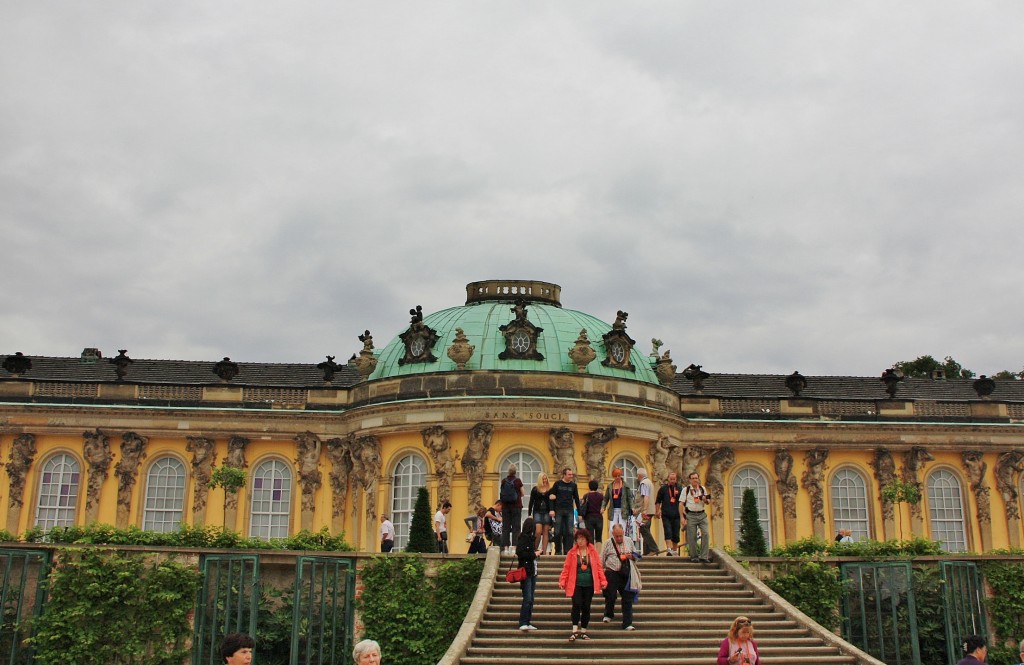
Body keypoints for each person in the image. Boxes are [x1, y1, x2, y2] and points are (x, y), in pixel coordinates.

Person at [558, 528, 607, 642]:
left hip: (589, 584)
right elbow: (566, 568)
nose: (580, 541)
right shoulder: (572, 553)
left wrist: (603, 581)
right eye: (578, 539)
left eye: (582, 539)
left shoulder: (593, 553)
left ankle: (584, 630)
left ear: (587, 540)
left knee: (586, 607)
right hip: (576, 584)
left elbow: (599, 568)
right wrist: (562, 580)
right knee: (576, 604)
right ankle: (574, 630)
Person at [600, 523, 639, 630]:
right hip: (611, 572)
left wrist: (631, 556)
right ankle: (608, 614)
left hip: (626, 573)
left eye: (620, 536)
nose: (619, 538)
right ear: (613, 534)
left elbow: (637, 555)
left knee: (627, 598)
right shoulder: (608, 543)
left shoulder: (629, 541)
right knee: (610, 595)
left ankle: (627, 623)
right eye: (616, 536)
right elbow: (601, 560)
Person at [549, 467, 581, 556]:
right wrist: (551, 509)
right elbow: (551, 497)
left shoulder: (573, 485)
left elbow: (577, 499)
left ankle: (568, 551)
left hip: (569, 510)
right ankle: (558, 551)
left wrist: (580, 513)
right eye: (569, 474)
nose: (571, 476)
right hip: (558, 510)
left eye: (572, 474)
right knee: (557, 532)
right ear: (564, 475)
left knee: (570, 532)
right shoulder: (557, 484)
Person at [516, 516, 540, 631]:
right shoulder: (524, 539)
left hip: (532, 570)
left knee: (531, 598)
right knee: (528, 598)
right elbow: (521, 554)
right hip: (526, 571)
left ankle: (527, 621)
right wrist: (535, 554)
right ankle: (523, 621)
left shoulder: (529, 539)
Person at [682, 472, 711, 563]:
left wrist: (705, 499)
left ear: (698, 479)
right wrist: (682, 517)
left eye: (696, 478)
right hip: (691, 514)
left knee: (706, 533)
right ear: (690, 480)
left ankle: (704, 556)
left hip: (702, 514)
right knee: (692, 536)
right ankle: (694, 556)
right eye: (693, 478)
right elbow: (681, 503)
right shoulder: (686, 490)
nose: (695, 480)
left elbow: (708, 502)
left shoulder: (702, 489)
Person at [655, 471, 683, 556]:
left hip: (677, 514)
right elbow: (658, 501)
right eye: (671, 479)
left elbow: (683, 502)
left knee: (676, 533)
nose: (672, 481)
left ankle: (674, 550)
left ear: (676, 479)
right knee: (667, 531)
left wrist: (684, 515)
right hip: (666, 514)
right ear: (668, 479)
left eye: (674, 479)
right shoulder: (663, 489)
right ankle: (669, 549)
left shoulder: (680, 488)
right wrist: (657, 511)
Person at [500, 464, 525, 555]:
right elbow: (523, 493)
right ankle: (514, 548)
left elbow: (501, 493)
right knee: (516, 527)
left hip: (505, 507)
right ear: (515, 472)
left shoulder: (503, 481)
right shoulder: (518, 481)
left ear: (508, 471)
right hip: (516, 506)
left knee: (505, 528)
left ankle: (506, 549)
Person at [601, 468, 634, 534]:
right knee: (611, 529)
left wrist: (632, 507)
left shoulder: (625, 486)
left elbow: (629, 497)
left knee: (622, 529)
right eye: (616, 476)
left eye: (619, 476)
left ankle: (622, 542)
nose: (617, 477)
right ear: (613, 477)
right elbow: (606, 498)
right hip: (613, 510)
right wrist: (603, 507)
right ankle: (613, 543)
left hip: (623, 509)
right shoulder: (610, 486)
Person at [635, 467, 658, 555]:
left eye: (637, 476)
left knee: (643, 529)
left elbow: (646, 496)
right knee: (646, 529)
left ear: (639, 475)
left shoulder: (644, 483)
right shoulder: (649, 482)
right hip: (650, 510)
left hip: (646, 511)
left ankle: (653, 548)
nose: (637, 478)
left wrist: (644, 510)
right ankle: (647, 552)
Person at [529, 472, 553, 554]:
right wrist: (529, 513)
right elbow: (531, 502)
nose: (545, 481)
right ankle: (535, 549)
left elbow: (552, 502)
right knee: (538, 531)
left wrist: (552, 511)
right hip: (537, 511)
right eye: (543, 479)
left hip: (547, 511)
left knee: (546, 531)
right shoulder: (535, 489)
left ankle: (544, 551)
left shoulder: (550, 489)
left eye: (546, 479)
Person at [580, 479, 605, 544]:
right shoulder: (601, 496)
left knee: (590, 537)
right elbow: (604, 505)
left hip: (589, 517)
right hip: (599, 517)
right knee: (599, 538)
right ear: (597, 487)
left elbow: (582, 505)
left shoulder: (586, 496)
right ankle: (598, 553)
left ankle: (591, 552)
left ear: (589, 486)